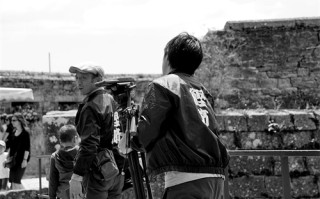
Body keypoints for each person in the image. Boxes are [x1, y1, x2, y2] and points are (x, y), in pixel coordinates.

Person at [119, 32, 230, 199]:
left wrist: (130, 141)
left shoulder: (164, 84)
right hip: (216, 178)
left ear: (168, 57)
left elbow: (149, 128)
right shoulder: (201, 90)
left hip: (186, 180)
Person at [68, 63, 124, 199]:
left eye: (84, 78)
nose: (79, 82)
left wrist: (77, 176)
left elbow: (89, 145)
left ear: (97, 81)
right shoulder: (111, 100)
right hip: (116, 172)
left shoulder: (91, 106)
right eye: (77, 78)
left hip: (98, 173)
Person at [49, 124, 81, 199]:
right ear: (75, 139)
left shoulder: (54, 156)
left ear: (60, 141)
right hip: (79, 194)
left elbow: (53, 182)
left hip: (62, 195)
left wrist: (52, 197)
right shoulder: (82, 154)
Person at [4, 113, 30, 190]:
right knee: (12, 181)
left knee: (16, 180)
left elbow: (27, 148)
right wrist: (7, 158)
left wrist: (25, 160)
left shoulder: (25, 133)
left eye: (14, 120)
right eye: (11, 120)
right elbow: (11, 147)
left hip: (21, 159)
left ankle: (28, 195)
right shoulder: (13, 132)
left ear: (20, 121)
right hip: (13, 160)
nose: (12, 122)